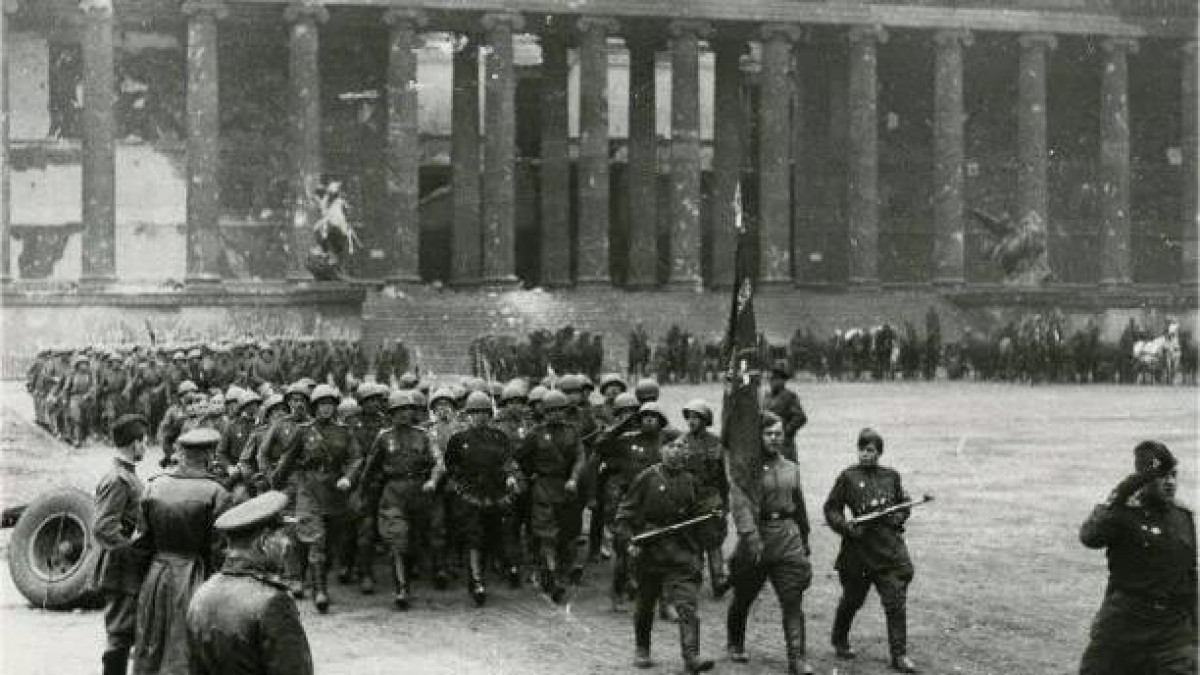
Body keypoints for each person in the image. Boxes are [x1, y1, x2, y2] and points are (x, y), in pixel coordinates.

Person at [1078, 441, 1197, 675]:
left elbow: (1190, 575)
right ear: (1143, 480)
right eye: (1161, 476)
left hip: (1172, 634)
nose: (1170, 482)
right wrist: (1119, 495)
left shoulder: (1182, 517)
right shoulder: (1123, 514)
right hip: (1124, 628)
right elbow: (1090, 537)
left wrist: (1195, 635)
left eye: (1173, 475)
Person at [133, 428, 233, 675]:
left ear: (181, 453)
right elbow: (219, 551)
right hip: (195, 578)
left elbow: (141, 544)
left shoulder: (153, 486)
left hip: (156, 577)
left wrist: (145, 581)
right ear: (209, 455)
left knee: (152, 646)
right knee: (186, 650)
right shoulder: (216, 492)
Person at [614, 441, 720, 673]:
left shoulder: (691, 481)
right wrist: (629, 542)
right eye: (670, 446)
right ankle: (642, 649)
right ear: (662, 450)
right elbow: (624, 514)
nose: (675, 451)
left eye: (680, 446)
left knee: (687, 604)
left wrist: (713, 510)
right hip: (651, 551)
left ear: (686, 451)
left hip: (682, 551)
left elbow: (702, 514)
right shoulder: (647, 478)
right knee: (645, 604)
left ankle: (691, 656)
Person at [185, 491, 314, 675]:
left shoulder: (203, 592)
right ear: (264, 542)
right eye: (282, 535)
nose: (287, 544)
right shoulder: (273, 602)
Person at [725, 412, 815, 675]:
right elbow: (741, 508)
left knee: (792, 599)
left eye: (778, 433)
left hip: (787, 538)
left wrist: (804, 538)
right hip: (757, 540)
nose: (774, 438)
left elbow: (799, 505)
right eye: (768, 433)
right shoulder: (746, 471)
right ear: (758, 437)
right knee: (744, 596)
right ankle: (735, 642)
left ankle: (797, 658)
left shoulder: (790, 468)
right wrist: (752, 539)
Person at [823, 428, 917, 673]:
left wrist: (898, 517)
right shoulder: (848, 477)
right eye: (862, 450)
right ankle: (839, 639)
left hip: (888, 551)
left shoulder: (891, 476)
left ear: (879, 453)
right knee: (853, 600)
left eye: (870, 450)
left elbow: (904, 505)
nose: (865, 454)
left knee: (895, 602)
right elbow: (831, 509)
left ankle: (899, 655)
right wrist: (846, 527)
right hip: (859, 552)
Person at [270, 384, 358, 613]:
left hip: (335, 491)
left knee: (331, 542)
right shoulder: (304, 431)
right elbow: (287, 459)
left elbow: (356, 458)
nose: (325, 409)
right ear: (315, 407)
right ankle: (320, 591)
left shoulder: (344, 432)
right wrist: (275, 485)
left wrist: (348, 477)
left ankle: (317, 578)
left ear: (335, 407)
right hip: (309, 489)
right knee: (316, 538)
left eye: (329, 404)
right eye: (321, 405)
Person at [357, 390, 441, 609]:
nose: (403, 414)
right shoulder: (384, 437)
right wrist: (362, 494)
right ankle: (402, 589)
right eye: (398, 411)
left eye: (407, 410)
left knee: (414, 540)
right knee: (397, 539)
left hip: (419, 491)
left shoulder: (424, 435)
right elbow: (369, 468)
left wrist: (433, 481)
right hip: (393, 491)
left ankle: (409, 577)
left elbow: (438, 462)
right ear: (391, 414)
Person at [443, 391, 523, 604]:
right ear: (468, 414)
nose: (480, 417)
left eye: (484, 412)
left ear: (490, 414)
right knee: (473, 536)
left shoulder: (499, 437)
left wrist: (511, 477)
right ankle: (476, 581)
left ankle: (506, 568)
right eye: (476, 412)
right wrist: (460, 487)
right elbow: (451, 467)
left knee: (498, 532)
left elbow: (508, 461)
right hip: (470, 494)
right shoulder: (459, 439)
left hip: (496, 492)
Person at [92, 414, 151, 675]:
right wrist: (132, 549)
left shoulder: (127, 476)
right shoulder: (118, 479)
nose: (145, 447)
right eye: (144, 441)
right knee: (119, 635)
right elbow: (103, 527)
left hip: (126, 567)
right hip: (120, 569)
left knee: (126, 633)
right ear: (135, 443)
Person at [672, 399, 730, 598]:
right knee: (690, 541)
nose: (691, 421)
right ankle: (692, 578)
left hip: (711, 497)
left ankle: (719, 580)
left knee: (713, 540)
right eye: (689, 417)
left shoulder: (717, 443)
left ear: (705, 420)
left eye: (696, 417)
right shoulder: (680, 443)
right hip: (688, 498)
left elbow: (724, 476)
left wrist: (725, 503)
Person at [761, 362, 807, 461]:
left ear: (783, 381)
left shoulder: (789, 396)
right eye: (772, 379)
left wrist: (785, 431)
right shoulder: (766, 397)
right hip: (767, 444)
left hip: (784, 446)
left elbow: (800, 417)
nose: (772, 381)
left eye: (776, 379)